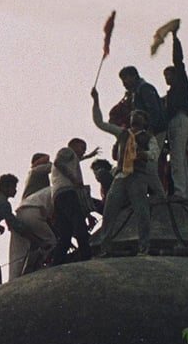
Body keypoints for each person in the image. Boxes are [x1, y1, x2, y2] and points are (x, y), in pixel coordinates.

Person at [92, 93, 165, 255]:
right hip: (120, 176)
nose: (135, 116)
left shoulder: (147, 137)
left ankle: (144, 246)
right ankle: (105, 248)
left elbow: (154, 153)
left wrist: (143, 154)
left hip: (137, 176)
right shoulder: (123, 133)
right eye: (133, 114)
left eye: (139, 115)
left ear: (144, 121)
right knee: (109, 211)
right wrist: (96, 101)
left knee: (141, 212)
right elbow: (100, 123)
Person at [50, 138, 97, 266]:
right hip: (67, 192)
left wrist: (89, 156)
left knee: (66, 232)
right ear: (74, 145)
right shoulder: (67, 151)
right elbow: (59, 162)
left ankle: (57, 261)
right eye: (82, 148)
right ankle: (86, 254)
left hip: (58, 195)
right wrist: (74, 179)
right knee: (78, 222)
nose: (83, 151)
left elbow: (73, 161)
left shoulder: (71, 157)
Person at [162, 25, 188, 200]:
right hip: (179, 121)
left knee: (177, 158)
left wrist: (175, 39)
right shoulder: (170, 94)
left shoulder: (180, 85)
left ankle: (181, 193)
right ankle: (185, 193)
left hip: (179, 119)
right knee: (180, 158)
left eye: (169, 75)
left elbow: (179, 61)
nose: (167, 78)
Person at [8, 186, 57, 280]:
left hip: (20, 213)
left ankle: (15, 278)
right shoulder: (62, 190)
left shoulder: (48, 190)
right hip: (34, 211)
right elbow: (53, 219)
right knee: (51, 242)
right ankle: (43, 266)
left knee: (19, 254)